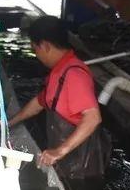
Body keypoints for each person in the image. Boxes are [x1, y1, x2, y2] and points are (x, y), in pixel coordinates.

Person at [6, 16, 110, 178]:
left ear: (45, 46)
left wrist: (59, 152)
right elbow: (40, 102)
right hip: (66, 156)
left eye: (35, 49)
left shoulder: (74, 75)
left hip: (81, 163)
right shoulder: (58, 71)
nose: (36, 55)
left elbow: (93, 117)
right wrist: (7, 123)